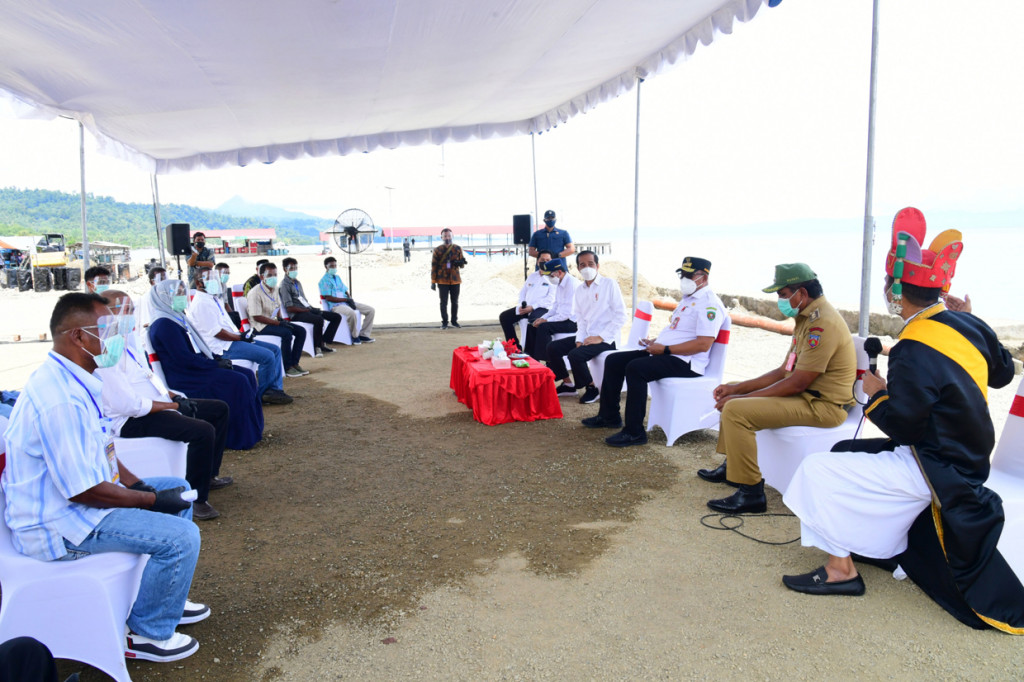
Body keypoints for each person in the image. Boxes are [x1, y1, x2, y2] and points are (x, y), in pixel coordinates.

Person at [780, 210, 1024, 633]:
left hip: (933, 467)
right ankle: (876, 545)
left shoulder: (911, 346)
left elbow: (906, 428)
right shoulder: (966, 325)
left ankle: (841, 570)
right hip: (966, 460)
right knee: (845, 450)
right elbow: (1003, 374)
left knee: (816, 470)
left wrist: (876, 393)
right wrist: (972, 316)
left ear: (897, 294)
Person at [2, 292, 207, 662]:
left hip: (80, 506)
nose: (115, 336)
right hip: (59, 526)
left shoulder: (78, 379)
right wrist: (150, 501)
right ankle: (147, 634)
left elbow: (103, 451)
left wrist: (138, 486)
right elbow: (83, 491)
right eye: (106, 329)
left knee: (177, 489)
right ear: (77, 337)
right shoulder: (59, 399)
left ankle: (166, 594)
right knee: (182, 535)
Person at [698, 263, 856, 514]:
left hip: (823, 407)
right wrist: (738, 390)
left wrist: (743, 398)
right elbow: (785, 371)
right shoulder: (806, 317)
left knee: (737, 410)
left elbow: (797, 382)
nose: (779, 301)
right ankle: (733, 466)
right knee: (732, 391)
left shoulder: (821, 323)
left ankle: (751, 493)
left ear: (801, 293)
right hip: (804, 397)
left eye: (782, 295)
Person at [99, 289, 232, 521]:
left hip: (156, 405)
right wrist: (173, 407)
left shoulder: (126, 342)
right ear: (104, 314)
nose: (128, 315)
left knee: (218, 409)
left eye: (130, 309)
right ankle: (197, 499)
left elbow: (149, 380)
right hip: (130, 420)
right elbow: (129, 405)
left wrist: (175, 398)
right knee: (202, 431)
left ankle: (209, 474)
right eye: (122, 310)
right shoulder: (105, 353)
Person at [585, 257, 725, 447]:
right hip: (667, 353)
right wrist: (656, 342)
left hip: (687, 362)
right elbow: (679, 332)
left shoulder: (709, 304)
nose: (684, 279)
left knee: (636, 368)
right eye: (682, 274)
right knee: (614, 360)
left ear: (704, 277)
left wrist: (665, 348)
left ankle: (634, 432)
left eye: (690, 275)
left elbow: (703, 344)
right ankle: (609, 416)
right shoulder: (688, 300)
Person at [148, 279, 264, 450]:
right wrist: (214, 365)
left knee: (246, 374)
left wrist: (215, 360)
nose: (183, 297)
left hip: (196, 367)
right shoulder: (164, 324)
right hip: (186, 375)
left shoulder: (177, 318)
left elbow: (194, 352)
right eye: (178, 294)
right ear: (164, 298)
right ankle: (237, 437)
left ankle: (253, 430)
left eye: (183, 292)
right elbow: (183, 359)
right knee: (237, 382)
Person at [186, 269, 292, 404]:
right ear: (198, 283)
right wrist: (240, 338)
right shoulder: (201, 303)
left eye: (215, 278)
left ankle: (275, 390)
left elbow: (226, 326)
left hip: (231, 339)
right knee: (267, 356)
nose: (215, 282)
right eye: (210, 279)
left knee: (275, 350)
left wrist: (242, 335)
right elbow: (218, 333)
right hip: (222, 347)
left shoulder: (213, 298)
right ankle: (263, 394)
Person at [546, 250, 627, 404]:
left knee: (575, 355)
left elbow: (621, 316)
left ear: (597, 266)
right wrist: (579, 339)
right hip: (587, 336)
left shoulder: (609, 284)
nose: (587, 267)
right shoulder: (580, 290)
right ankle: (568, 385)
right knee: (552, 348)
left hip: (606, 339)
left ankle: (592, 388)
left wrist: (600, 337)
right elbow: (581, 320)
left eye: (591, 264)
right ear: (578, 268)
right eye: (582, 265)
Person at [245, 262, 308, 377]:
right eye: (269, 275)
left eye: (275, 275)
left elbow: (277, 307)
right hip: (260, 326)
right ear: (262, 276)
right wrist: (278, 323)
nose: (273, 278)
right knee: (286, 334)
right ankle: (287, 366)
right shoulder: (255, 293)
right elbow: (256, 316)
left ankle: (295, 363)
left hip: (274, 322)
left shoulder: (275, 289)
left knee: (301, 331)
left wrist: (281, 320)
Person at [279, 257, 341, 355]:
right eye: (291, 268)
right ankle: (317, 347)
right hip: (296, 314)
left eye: (295, 268)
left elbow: (304, 300)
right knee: (318, 319)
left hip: (306, 309)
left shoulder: (297, 282)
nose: (294, 270)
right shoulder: (284, 285)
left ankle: (323, 341)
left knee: (336, 317)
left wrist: (311, 309)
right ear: (284, 269)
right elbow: (289, 307)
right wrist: (306, 310)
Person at [524, 257, 579, 360]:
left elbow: (566, 314)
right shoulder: (559, 283)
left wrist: (546, 320)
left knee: (544, 327)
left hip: (573, 322)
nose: (548, 278)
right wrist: (542, 318)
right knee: (532, 325)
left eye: (550, 275)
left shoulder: (571, 284)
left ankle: (547, 360)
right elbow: (555, 307)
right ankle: (530, 359)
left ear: (559, 272)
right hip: (563, 318)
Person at [498, 250, 555, 348]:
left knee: (533, 322)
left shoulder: (553, 278)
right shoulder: (532, 276)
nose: (545, 262)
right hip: (525, 307)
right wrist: (521, 305)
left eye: (548, 260)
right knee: (504, 317)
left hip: (542, 308)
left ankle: (532, 354)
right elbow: (523, 292)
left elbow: (550, 299)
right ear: (537, 262)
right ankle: (514, 347)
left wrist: (532, 307)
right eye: (542, 260)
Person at [319, 257, 376, 343]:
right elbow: (329, 298)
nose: (334, 268)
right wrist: (345, 300)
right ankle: (355, 336)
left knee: (370, 310)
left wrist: (349, 299)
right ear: (326, 267)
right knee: (351, 313)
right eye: (331, 266)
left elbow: (345, 290)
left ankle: (363, 335)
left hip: (346, 302)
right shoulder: (323, 281)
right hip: (336, 306)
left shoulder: (337, 277)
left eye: (335, 265)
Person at [430, 228, 466, 329]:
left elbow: (462, 264)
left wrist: (461, 263)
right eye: (445, 236)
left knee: (455, 302)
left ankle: (454, 321)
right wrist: (433, 281)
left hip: (455, 279)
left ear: (452, 236)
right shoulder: (437, 250)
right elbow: (434, 266)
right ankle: (444, 322)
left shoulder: (458, 248)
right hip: (442, 280)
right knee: (443, 302)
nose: (447, 237)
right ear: (441, 237)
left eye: (449, 235)